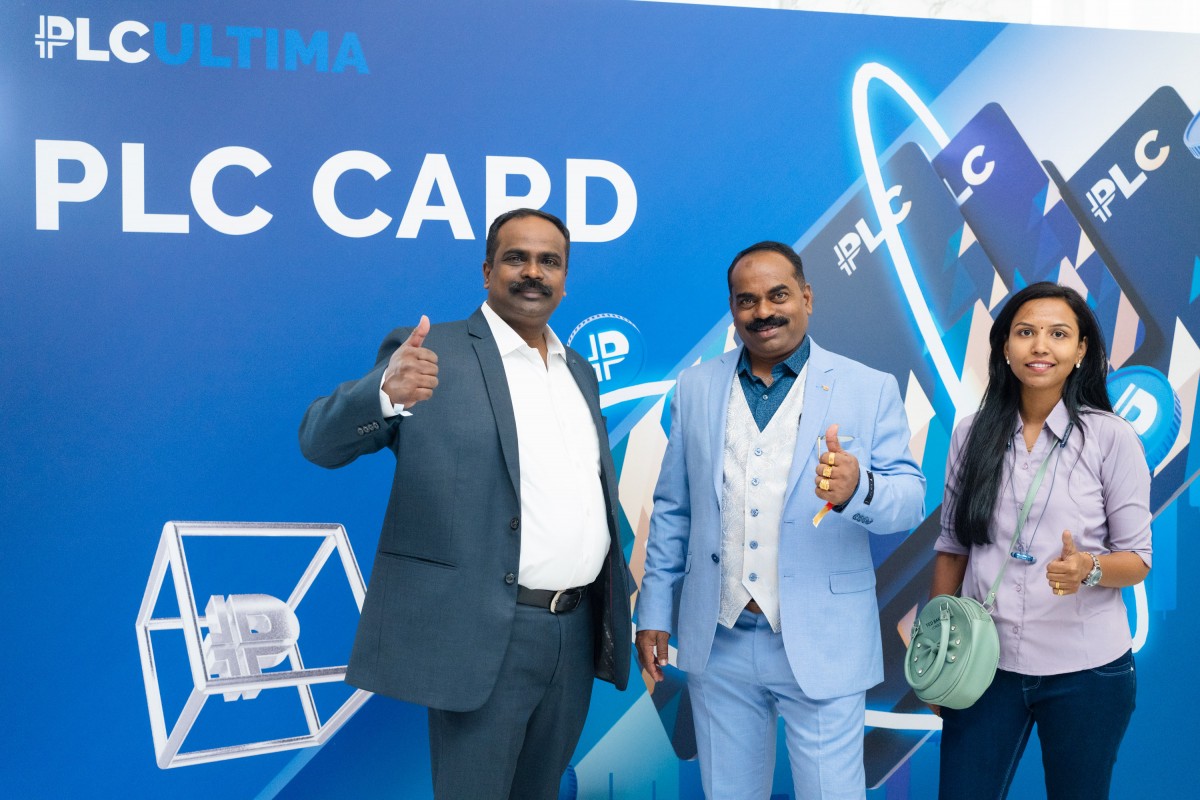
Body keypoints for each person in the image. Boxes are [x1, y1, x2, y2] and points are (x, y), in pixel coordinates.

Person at [298, 208, 631, 800]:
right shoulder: (429, 353)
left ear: (565, 278)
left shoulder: (578, 369)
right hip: (485, 634)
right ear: (486, 271)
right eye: (516, 258)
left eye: (549, 261)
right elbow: (319, 443)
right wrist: (382, 395)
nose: (533, 273)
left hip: (575, 631)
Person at [635, 241, 926, 799]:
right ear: (733, 309)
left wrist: (857, 488)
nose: (763, 311)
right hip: (718, 637)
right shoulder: (695, 388)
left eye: (778, 295)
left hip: (824, 636)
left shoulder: (868, 387)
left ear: (807, 298)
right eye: (747, 300)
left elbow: (910, 500)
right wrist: (653, 610)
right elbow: (674, 508)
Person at [930, 281, 1151, 799]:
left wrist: (1088, 569)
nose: (1040, 346)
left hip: (1086, 672)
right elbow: (953, 546)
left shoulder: (1111, 437)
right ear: (1005, 347)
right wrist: (938, 648)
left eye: (1058, 334)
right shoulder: (971, 433)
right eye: (1025, 332)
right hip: (984, 666)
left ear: (1081, 351)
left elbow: (1138, 559)